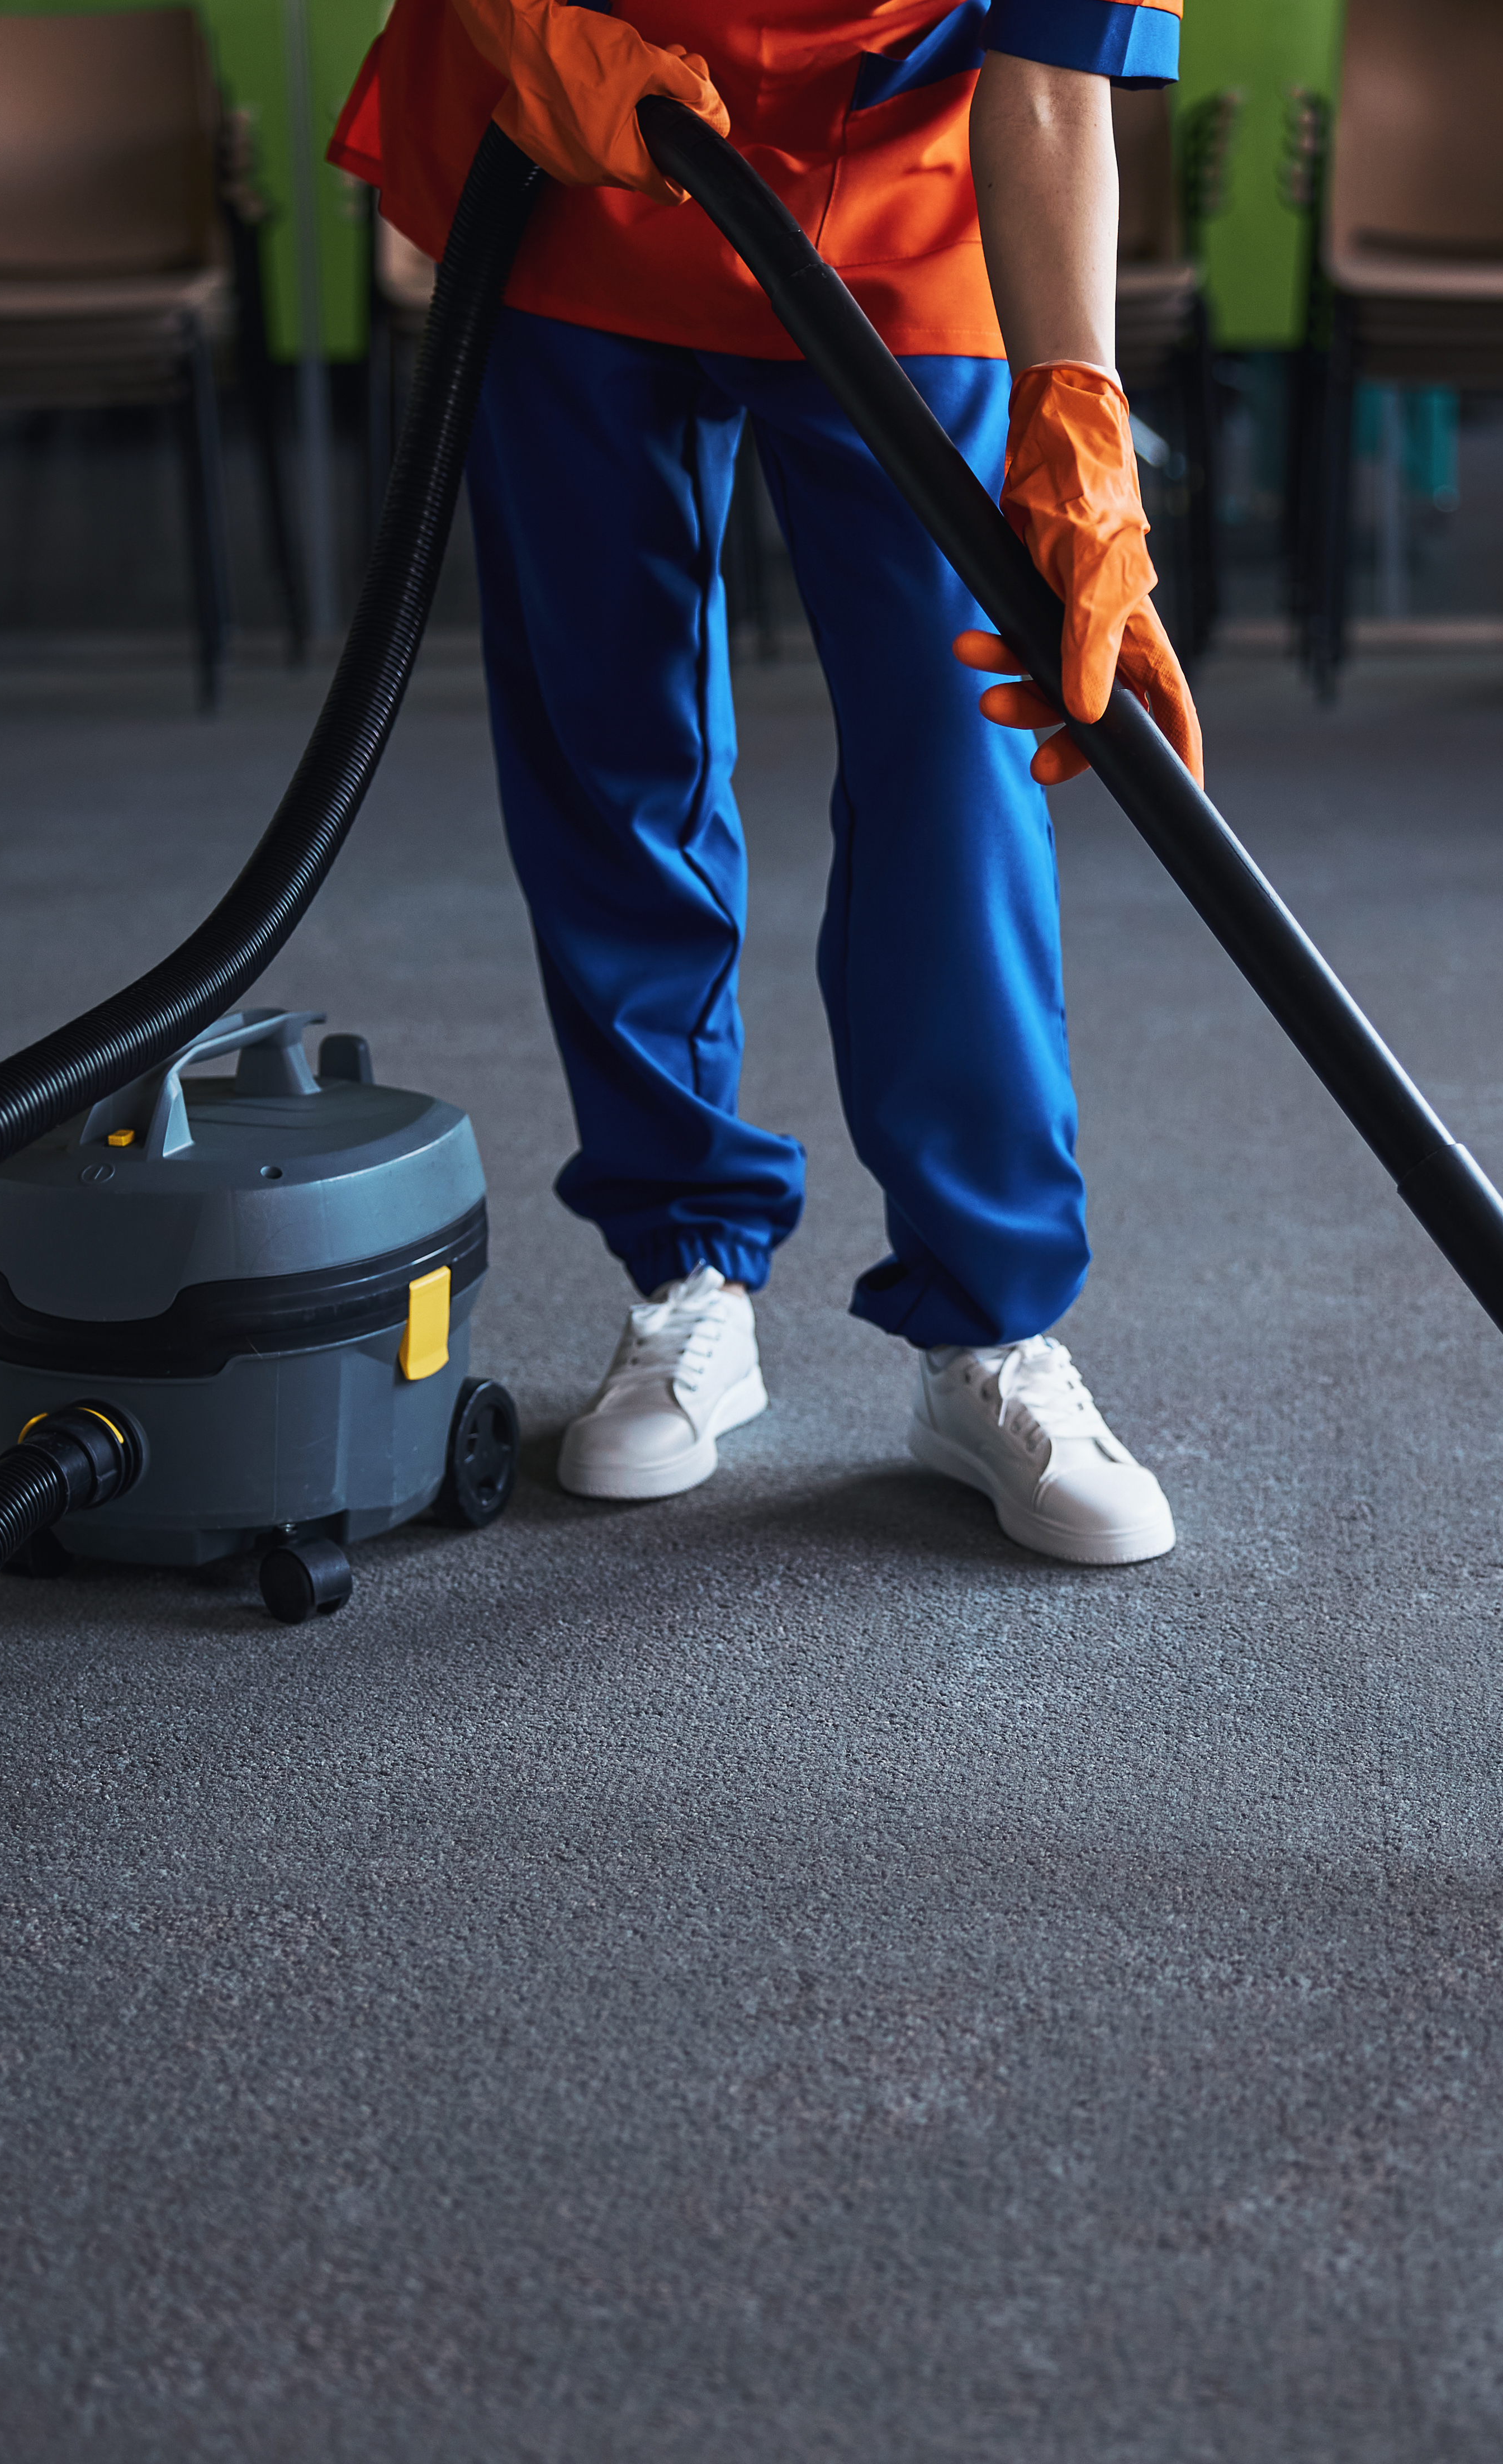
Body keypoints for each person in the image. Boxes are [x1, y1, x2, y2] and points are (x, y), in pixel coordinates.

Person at [329, 0, 1199, 1564]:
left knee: (961, 755)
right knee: (609, 738)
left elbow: (1055, 77)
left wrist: (1077, 405)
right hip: (579, 146)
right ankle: (684, 1275)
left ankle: (986, 1329)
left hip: (900, 198)